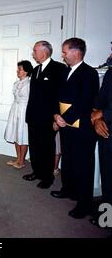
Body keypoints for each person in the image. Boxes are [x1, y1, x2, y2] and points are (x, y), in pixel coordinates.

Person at [51, 38, 99, 219]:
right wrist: (56, 115)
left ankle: (84, 204)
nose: (62, 55)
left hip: (82, 128)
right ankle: (68, 189)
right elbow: (57, 96)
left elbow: (84, 102)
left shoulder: (89, 73)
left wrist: (64, 118)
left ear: (76, 52)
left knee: (83, 165)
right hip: (66, 124)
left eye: (64, 52)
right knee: (69, 160)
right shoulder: (66, 72)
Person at [23, 40, 67, 189]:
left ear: (44, 52)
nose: (33, 54)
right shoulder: (35, 70)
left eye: (35, 51)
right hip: (33, 116)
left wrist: (56, 117)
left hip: (49, 118)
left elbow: (60, 95)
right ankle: (37, 172)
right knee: (34, 146)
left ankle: (47, 177)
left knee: (47, 148)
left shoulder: (59, 69)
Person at [90, 68, 112, 227]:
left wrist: (104, 113)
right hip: (106, 131)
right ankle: (108, 218)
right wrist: (97, 118)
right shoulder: (110, 73)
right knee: (108, 177)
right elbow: (100, 98)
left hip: (107, 119)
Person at [4, 60, 33, 169]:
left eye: (20, 69)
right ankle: (18, 158)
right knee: (16, 134)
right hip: (15, 109)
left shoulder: (29, 83)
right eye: (18, 69)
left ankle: (21, 161)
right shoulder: (16, 83)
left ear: (26, 71)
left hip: (24, 110)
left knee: (23, 135)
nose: (18, 71)